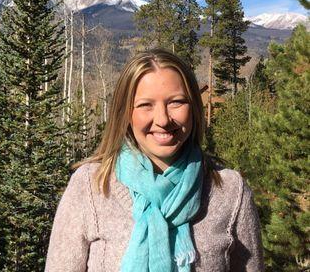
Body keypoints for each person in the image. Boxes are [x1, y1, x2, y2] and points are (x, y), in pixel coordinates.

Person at [45, 49, 264, 272]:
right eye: (145, 105)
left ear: (194, 107)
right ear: (125, 113)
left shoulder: (230, 191)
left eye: (176, 102)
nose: (162, 120)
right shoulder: (91, 186)